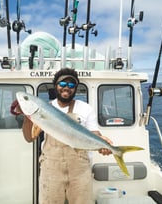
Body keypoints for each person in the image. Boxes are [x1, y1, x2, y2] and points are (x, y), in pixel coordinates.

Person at [11, 68, 112, 204]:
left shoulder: (85, 108)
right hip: (51, 169)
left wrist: (102, 142)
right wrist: (27, 117)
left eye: (71, 85)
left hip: (79, 169)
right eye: (63, 84)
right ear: (56, 86)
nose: (67, 88)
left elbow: (94, 133)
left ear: (75, 88)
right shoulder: (44, 108)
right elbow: (30, 138)